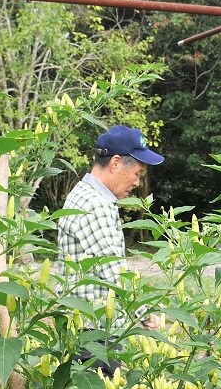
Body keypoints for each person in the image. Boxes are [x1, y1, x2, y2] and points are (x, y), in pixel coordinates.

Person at [57, 124, 164, 315]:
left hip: (82, 322)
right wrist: (143, 314)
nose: (137, 182)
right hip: (93, 329)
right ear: (115, 163)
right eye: (137, 173)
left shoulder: (85, 194)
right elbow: (113, 269)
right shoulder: (94, 204)